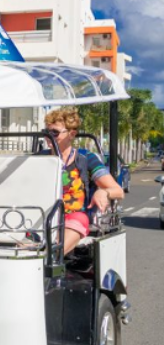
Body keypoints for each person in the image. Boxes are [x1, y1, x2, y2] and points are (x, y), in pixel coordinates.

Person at [43, 108, 124, 255]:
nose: (48, 137)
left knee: (53, 252)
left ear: (71, 134)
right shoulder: (38, 158)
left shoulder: (85, 158)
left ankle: (50, 259)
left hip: (73, 216)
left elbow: (118, 191)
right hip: (41, 215)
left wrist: (103, 192)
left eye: (54, 133)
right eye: (46, 132)